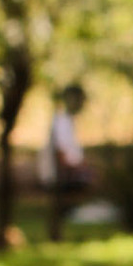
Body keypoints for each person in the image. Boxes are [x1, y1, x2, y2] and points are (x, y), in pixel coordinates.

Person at [38, 83, 92, 239]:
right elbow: (61, 153)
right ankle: (56, 235)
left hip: (66, 171)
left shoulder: (67, 121)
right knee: (60, 206)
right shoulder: (61, 121)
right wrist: (77, 169)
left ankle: (59, 234)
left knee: (62, 208)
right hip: (61, 173)